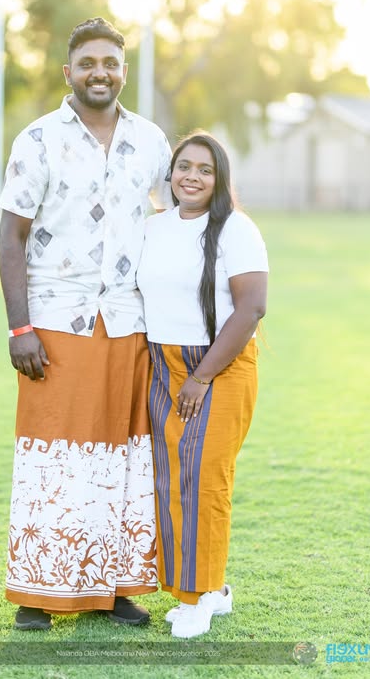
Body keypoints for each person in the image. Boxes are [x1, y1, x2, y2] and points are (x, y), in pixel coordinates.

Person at [0, 17, 173, 630]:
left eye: (111, 63)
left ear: (123, 72)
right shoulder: (38, 139)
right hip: (55, 320)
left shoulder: (151, 142)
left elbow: (174, 226)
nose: (100, 72)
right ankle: (37, 594)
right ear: (68, 71)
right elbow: (11, 236)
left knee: (121, 456)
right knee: (53, 458)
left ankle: (115, 588)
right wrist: (20, 329)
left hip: (128, 320)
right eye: (88, 62)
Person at [137, 132, 268, 639]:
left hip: (218, 365)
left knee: (204, 482)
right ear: (170, 175)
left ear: (220, 180)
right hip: (163, 362)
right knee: (172, 479)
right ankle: (205, 588)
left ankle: (199, 598)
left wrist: (201, 377)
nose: (192, 177)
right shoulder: (154, 228)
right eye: (183, 166)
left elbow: (252, 308)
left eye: (205, 170)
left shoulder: (237, 229)